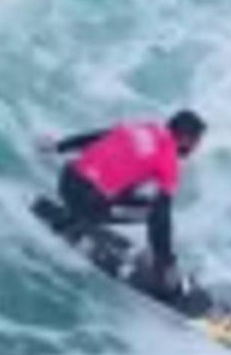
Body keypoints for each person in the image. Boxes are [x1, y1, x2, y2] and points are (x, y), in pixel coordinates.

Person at [36, 109, 208, 301]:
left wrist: (58, 146)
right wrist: (166, 261)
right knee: (154, 211)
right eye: (196, 143)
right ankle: (162, 273)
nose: (194, 149)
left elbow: (95, 137)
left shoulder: (140, 127)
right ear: (185, 139)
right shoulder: (167, 158)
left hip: (67, 180)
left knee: (130, 183)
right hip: (87, 202)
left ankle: (73, 217)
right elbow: (161, 215)